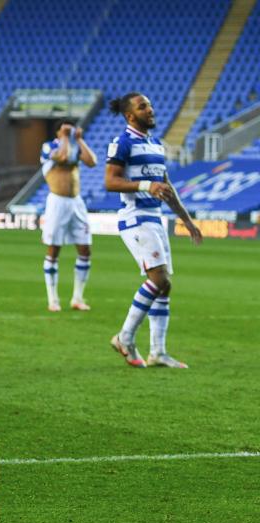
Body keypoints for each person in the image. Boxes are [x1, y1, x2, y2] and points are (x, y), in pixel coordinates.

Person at [105, 93, 202, 368]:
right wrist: (147, 186)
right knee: (158, 280)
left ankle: (158, 352)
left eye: (149, 105)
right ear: (130, 115)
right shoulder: (122, 143)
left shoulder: (156, 145)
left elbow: (167, 189)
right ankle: (124, 337)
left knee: (165, 285)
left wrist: (187, 221)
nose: (150, 109)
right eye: (142, 106)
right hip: (135, 218)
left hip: (155, 219)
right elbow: (110, 182)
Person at [39, 121, 97, 312]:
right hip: (57, 202)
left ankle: (78, 298)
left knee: (85, 249)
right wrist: (64, 137)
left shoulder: (75, 146)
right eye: (66, 129)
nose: (69, 132)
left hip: (76, 202)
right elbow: (62, 157)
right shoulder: (50, 146)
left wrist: (79, 140)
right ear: (58, 130)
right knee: (54, 250)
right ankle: (53, 299)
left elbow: (92, 161)